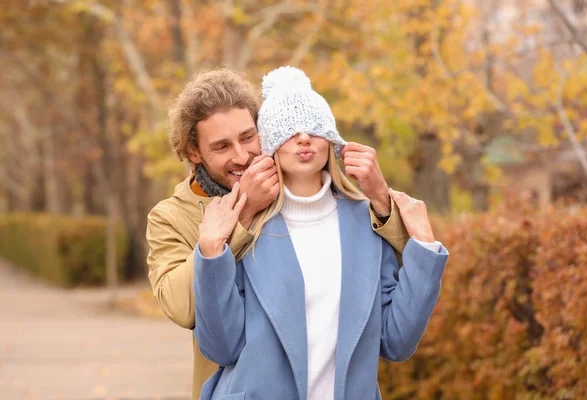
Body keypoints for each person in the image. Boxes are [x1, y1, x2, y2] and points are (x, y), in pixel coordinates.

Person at [146, 69, 409, 400]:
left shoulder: (306, 197)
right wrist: (242, 216)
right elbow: (182, 308)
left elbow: (391, 278)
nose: (242, 156)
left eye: (247, 137)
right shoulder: (170, 217)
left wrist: (382, 201)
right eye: (222, 146)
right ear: (194, 152)